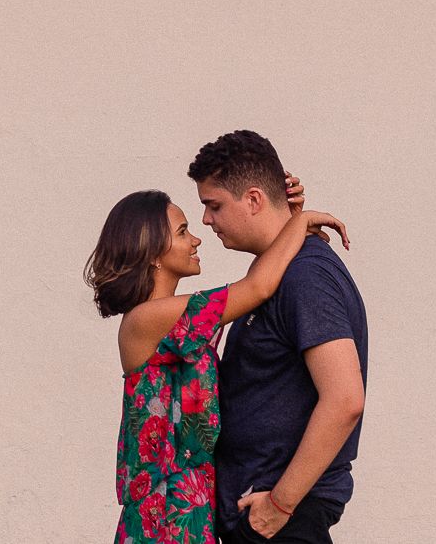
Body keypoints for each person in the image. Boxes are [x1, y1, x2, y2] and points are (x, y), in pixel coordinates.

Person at [87, 181, 348, 544]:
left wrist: (280, 216)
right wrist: (297, 222)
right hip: (162, 519)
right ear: (152, 253)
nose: (196, 239)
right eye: (182, 232)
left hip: (192, 510)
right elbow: (257, 287)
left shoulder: (181, 322)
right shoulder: (144, 320)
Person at [190, 131, 368, 544]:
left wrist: (280, 506)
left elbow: (345, 399)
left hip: (280, 520)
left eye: (214, 205)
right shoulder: (274, 275)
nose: (206, 221)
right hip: (258, 516)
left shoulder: (306, 277)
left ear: (253, 199)